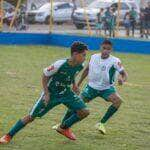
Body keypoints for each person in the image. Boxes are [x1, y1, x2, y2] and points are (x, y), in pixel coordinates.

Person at [0, 42, 89, 144]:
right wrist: (46, 94)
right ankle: (8, 136)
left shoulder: (80, 65)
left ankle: (63, 128)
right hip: (51, 94)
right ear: (75, 54)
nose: (85, 58)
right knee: (31, 117)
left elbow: (72, 74)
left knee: (84, 112)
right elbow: (45, 76)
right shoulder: (59, 64)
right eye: (83, 55)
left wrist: (74, 85)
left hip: (66, 93)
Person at [56, 40, 128, 135]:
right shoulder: (94, 57)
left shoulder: (115, 61)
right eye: (104, 48)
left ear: (111, 50)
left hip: (107, 89)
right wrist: (78, 84)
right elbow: (86, 70)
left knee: (118, 101)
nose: (106, 51)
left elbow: (124, 74)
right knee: (75, 104)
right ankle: (62, 124)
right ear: (100, 47)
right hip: (91, 88)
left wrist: (122, 80)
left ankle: (101, 123)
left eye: (108, 49)